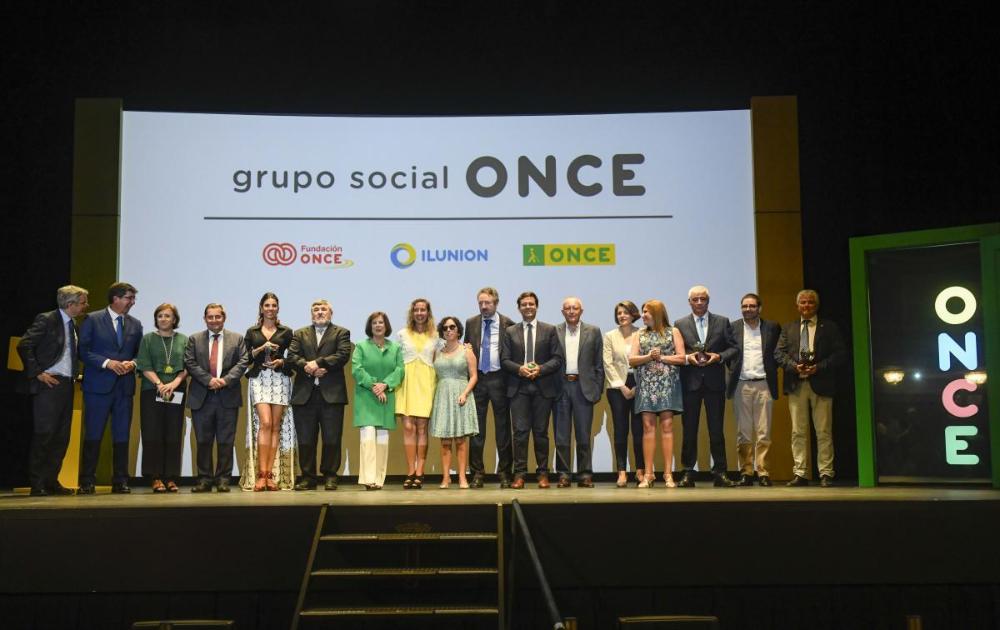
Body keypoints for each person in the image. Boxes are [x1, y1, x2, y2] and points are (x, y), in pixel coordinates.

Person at [16, 285, 89, 496]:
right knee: (45, 434)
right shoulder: (47, 319)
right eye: (83, 302)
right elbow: (25, 344)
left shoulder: (74, 324)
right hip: (48, 384)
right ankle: (37, 483)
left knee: (61, 436)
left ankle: (51, 480)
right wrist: (38, 372)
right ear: (70, 304)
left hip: (67, 385)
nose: (86, 306)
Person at [775, 289, 848, 487]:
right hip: (796, 384)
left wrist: (819, 367)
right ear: (797, 306)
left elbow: (840, 353)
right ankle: (801, 473)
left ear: (816, 306)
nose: (806, 306)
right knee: (798, 432)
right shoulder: (788, 328)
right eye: (803, 303)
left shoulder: (829, 327)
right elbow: (778, 354)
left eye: (810, 303)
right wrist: (793, 366)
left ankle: (826, 473)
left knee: (823, 431)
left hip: (822, 384)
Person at [78, 282, 143, 494]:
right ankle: (87, 481)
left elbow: (139, 354)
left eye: (133, 299)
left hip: (124, 389)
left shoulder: (136, 324)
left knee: (122, 435)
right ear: (115, 298)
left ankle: (120, 481)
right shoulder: (92, 320)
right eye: (129, 298)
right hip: (97, 387)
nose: (132, 303)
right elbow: (83, 351)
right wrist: (108, 363)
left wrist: (132, 363)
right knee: (94, 434)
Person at [674, 285, 739, 488]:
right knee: (689, 430)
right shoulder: (680, 324)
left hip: (714, 383)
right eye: (696, 299)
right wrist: (687, 358)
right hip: (690, 383)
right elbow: (678, 353)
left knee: (716, 431)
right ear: (689, 302)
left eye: (703, 299)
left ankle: (720, 472)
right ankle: (687, 472)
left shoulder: (722, 321)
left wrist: (719, 356)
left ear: (708, 301)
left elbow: (734, 348)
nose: (700, 303)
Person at [183, 303, 250, 492]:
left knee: (225, 440)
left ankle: (223, 479)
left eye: (217, 317)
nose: (214, 320)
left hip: (227, 396)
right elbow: (190, 362)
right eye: (210, 317)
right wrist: (209, 380)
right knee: (203, 440)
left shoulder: (237, 339)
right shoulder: (194, 339)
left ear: (224, 318)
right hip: (202, 397)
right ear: (205, 319)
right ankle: (204, 479)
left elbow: (243, 361)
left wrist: (226, 380)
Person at [287, 299, 352, 491]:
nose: (320, 312)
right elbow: (291, 357)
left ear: (331, 313)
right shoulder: (299, 334)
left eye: (323, 309)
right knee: (306, 439)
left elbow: (342, 355)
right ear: (311, 314)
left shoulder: (341, 332)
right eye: (316, 309)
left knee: (332, 438)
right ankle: (308, 477)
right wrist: (308, 368)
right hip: (304, 395)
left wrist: (318, 363)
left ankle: (330, 476)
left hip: (332, 395)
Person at [501, 291, 563, 489]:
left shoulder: (549, 329)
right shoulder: (510, 332)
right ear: (519, 308)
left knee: (541, 433)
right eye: (524, 304)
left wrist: (540, 369)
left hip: (543, 387)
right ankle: (519, 474)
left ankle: (542, 473)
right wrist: (519, 369)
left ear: (537, 306)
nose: (528, 307)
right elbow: (504, 360)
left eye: (531, 304)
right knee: (519, 433)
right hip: (518, 388)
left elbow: (557, 358)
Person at [241, 292, 295, 491]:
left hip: (280, 379)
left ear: (278, 308)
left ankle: (270, 476)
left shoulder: (287, 332)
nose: (270, 308)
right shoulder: (252, 331)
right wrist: (260, 348)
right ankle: (261, 474)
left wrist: (282, 361)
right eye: (267, 305)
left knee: (275, 426)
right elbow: (245, 358)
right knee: (265, 423)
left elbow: (294, 357)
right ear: (261, 308)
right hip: (259, 380)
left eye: (274, 305)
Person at [629, 300, 686, 488]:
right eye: (643, 311)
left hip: (667, 385)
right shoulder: (640, 334)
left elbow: (681, 357)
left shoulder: (673, 332)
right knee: (647, 427)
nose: (643, 314)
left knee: (668, 426)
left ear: (657, 313)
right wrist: (648, 357)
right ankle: (648, 474)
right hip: (646, 386)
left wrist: (661, 357)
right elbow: (632, 359)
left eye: (646, 311)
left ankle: (668, 474)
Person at [726, 293, 780, 486]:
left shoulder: (772, 328)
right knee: (744, 432)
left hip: (764, 383)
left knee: (764, 431)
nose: (748, 309)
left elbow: (777, 354)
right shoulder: (732, 328)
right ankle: (746, 472)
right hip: (741, 384)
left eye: (752, 306)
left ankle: (763, 472)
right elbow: (729, 354)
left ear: (760, 308)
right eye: (744, 306)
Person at [463, 287, 515, 488]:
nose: (484, 306)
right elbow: (468, 351)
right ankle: (477, 473)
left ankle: (504, 473)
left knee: (503, 429)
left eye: (488, 303)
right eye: (481, 303)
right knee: (477, 430)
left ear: (496, 303)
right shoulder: (471, 323)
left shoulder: (508, 324)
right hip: (478, 381)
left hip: (500, 380)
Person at [135, 303, 188, 493]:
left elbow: (186, 366)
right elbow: (144, 364)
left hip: (176, 391)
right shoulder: (148, 339)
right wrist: (159, 384)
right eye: (160, 316)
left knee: (173, 434)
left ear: (174, 319)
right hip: (152, 391)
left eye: (167, 316)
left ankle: (171, 477)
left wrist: (173, 384)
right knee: (152, 433)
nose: (163, 319)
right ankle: (155, 477)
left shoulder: (184, 340)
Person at [553, 297, 604, 488]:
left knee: (583, 435)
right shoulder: (554, 331)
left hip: (584, 389)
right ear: (562, 312)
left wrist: (597, 390)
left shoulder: (593, 331)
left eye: (575, 308)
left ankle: (584, 474)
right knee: (562, 436)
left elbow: (599, 364)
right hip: (561, 388)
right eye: (568, 308)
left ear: (581, 311)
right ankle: (564, 474)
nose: (571, 311)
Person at [351, 312, 404, 490]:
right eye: (374, 323)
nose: (378, 325)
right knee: (367, 437)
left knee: (382, 439)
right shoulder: (360, 346)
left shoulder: (395, 348)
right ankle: (368, 479)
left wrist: (385, 385)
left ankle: (379, 479)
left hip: (386, 397)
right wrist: (374, 386)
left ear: (386, 325)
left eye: (381, 322)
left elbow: (400, 370)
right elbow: (357, 369)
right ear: (370, 326)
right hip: (367, 398)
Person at [396, 298, 440, 489]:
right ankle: (410, 471)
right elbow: (396, 360)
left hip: (427, 383)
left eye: (423, 310)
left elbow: (441, 359)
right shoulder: (402, 334)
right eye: (416, 310)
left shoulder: (436, 335)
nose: (420, 313)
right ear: (412, 313)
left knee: (422, 427)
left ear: (428, 313)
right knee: (408, 427)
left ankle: (420, 471)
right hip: (406, 382)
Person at [430, 316, 479, 489]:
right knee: (445, 441)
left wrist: (465, 393)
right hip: (443, 396)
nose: (449, 330)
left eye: (452, 327)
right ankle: (445, 478)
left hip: (461, 395)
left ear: (458, 330)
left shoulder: (467, 350)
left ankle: (462, 478)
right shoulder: (437, 351)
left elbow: (473, 376)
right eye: (445, 328)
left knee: (460, 440)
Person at [603, 300, 645, 488]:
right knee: (620, 431)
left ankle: (640, 470)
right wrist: (622, 387)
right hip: (617, 388)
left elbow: (648, 362)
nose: (622, 316)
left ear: (633, 314)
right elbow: (608, 364)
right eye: (619, 313)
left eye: (626, 312)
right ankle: (621, 472)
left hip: (640, 385)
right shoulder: (610, 336)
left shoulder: (643, 333)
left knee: (639, 431)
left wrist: (638, 386)